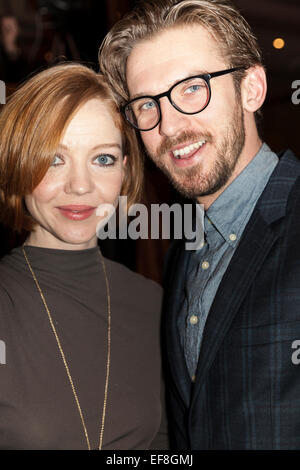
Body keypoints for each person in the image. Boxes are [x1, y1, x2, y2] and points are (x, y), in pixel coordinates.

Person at [99, 0, 300, 450]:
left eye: (192, 88)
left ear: (251, 88)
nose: (170, 126)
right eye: (147, 104)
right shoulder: (183, 257)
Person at [0, 62, 168, 450]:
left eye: (103, 159)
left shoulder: (154, 303)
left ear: (124, 172)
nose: (80, 185)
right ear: (20, 163)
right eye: (55, 159)